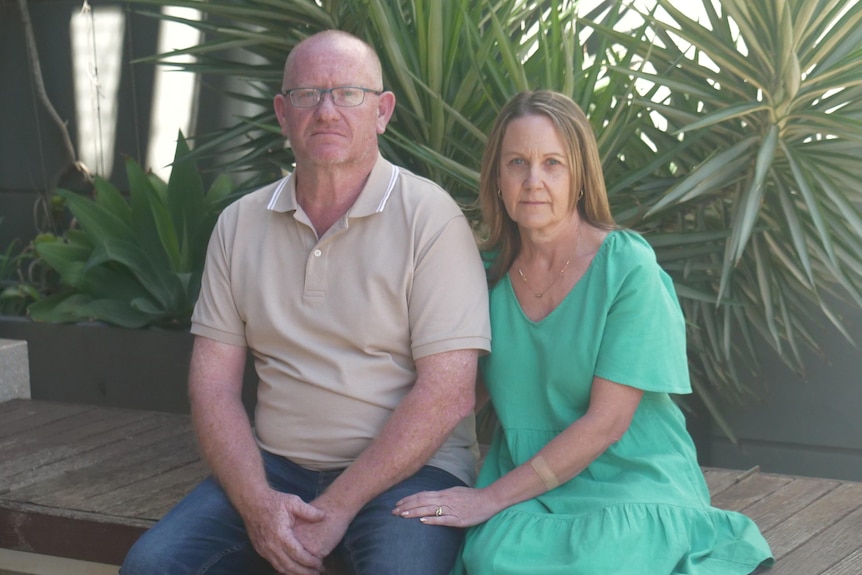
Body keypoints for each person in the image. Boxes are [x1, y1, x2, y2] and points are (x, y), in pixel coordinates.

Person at [121, 30, 491, 575]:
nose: (326, 110)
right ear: (281, 112)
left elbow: (449, 393)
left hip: (413, 473)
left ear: (383, 111)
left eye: (349, 93)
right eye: (307, 95)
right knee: (152, 566)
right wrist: (257, 503)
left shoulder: (430, 220)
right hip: (277, 471)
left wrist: (339, 506)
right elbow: (213, 386)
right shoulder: (239, 224)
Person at [392, 90, 774, 574]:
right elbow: (458, 393)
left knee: (602, 556)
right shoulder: (482, 275)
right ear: (497, 178)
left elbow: (607, 424)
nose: (533, 181)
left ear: (578, 178)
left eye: (552, 163)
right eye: (517, 163)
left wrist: (487, 500)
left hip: (631, 477)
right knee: (493, 557)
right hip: (530, 487)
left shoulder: (627, 268)